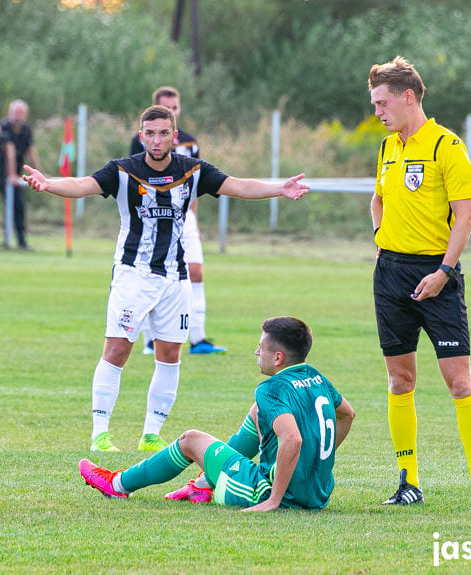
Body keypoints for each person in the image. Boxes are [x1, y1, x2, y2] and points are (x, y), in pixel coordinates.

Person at [22, 105, 309, 453]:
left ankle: (150, 433)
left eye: (163, 133)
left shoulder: (193, 171)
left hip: (176, 277)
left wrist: (279, 188)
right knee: (116, 350)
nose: (156, 140)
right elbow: (83, 185)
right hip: (133, 275)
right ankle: (100, 433)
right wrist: (48, 183)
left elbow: (238, 186)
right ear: (141, 135)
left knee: (170, 354)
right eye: (150, 133)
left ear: (174, 136)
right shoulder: (123, 170)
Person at [368, 56, 471, 509]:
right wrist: (380, 240)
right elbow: (378, 200)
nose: (378, 112)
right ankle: (408, 482)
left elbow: (466, 218)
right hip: (390, 274)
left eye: (383, 103)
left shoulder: (447, 147)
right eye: (374, 104)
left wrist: (443, 272)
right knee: (399, 379)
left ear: (408, 97)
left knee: (458, 380)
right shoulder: (387, 147)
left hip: (436, 273)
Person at [77, 316, 355, 511]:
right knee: (259, 413)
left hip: (270, 493)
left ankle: (118, 484)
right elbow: (347, 415)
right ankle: (202, 484)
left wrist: (273, 500)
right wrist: (316, 463)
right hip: (318, 494)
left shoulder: (271, 388)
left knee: (190, 439)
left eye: (262, 347)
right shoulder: (315, 377)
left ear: (278, 357)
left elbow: (293, 440)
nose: (256, 351)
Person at [130, 87, 225, 355]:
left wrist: (193, 217)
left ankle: (199, 338)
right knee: (151, 274)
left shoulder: (190, 143)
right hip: (151, 220)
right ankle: (151, 340)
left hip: (184, 218)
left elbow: (194, 181)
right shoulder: (142, 141)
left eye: (175, 107)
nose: (172, 111)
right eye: (167, 107)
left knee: (195, 272)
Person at [0, 99, 40, 249]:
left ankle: (21, 240)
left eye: (20, 113)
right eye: (15, 113)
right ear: (9, 113)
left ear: (25, 115)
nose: (18, 116)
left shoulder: (26, 129)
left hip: (13, 173)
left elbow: (31, 151)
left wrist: (39, 172)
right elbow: (10, 151)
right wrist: (12, 174)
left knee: (18, 205)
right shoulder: (5, 127)